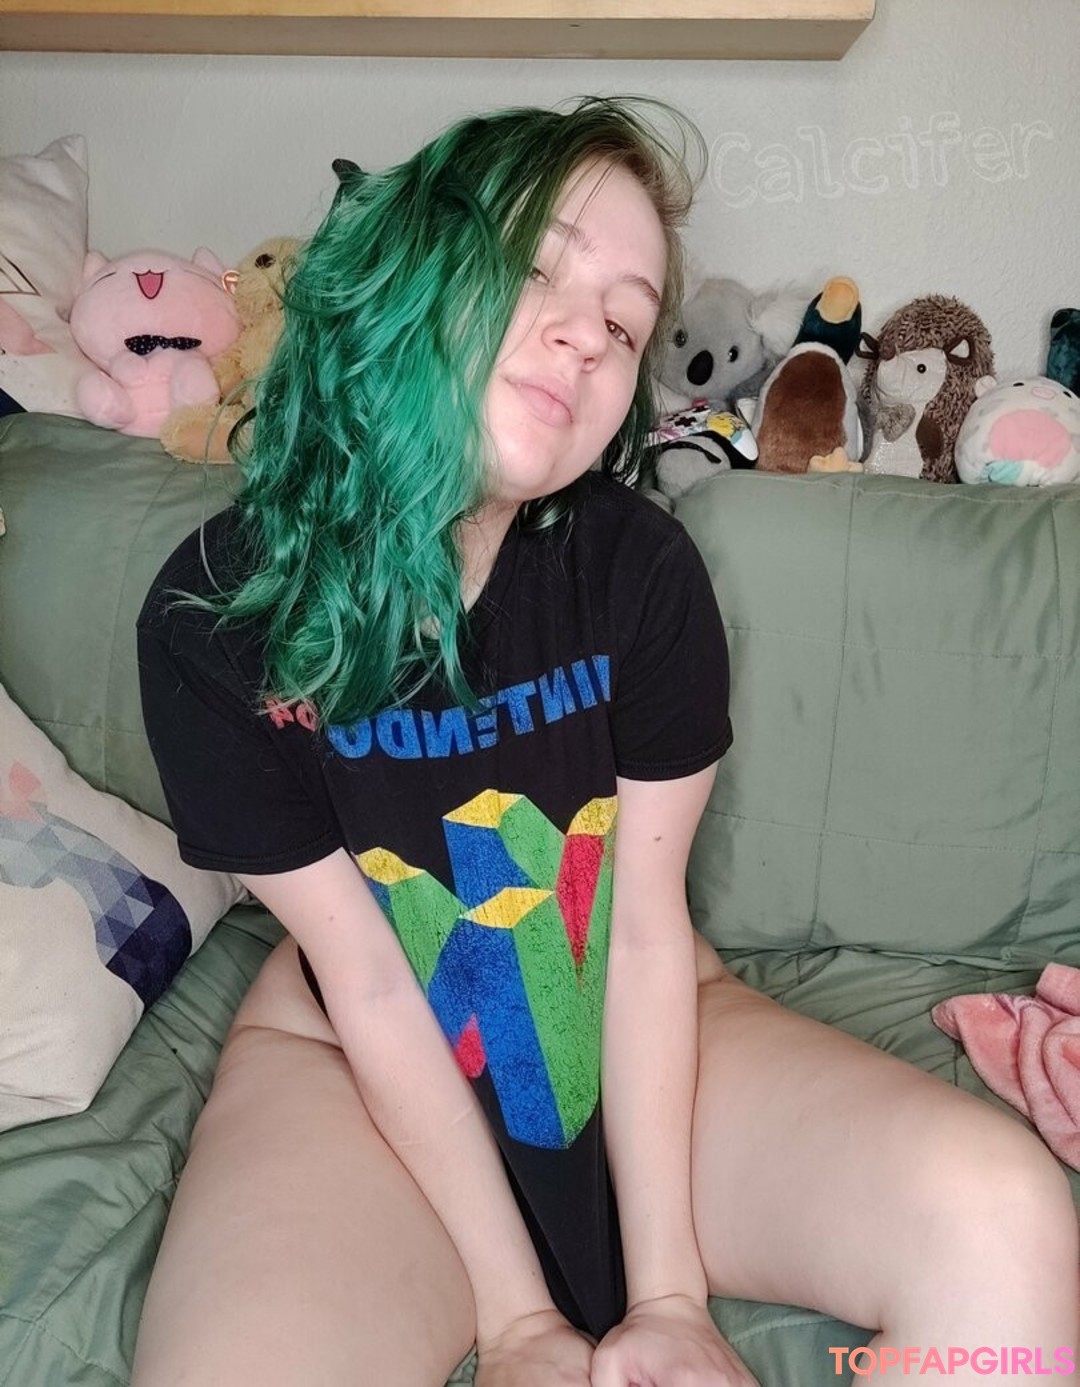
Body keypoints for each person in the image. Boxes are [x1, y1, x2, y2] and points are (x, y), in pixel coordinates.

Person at [132, 97, 1078, 1387]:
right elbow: (368, 980)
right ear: (413, 270)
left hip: (634, 1002)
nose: (588, 334)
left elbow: (639, 929)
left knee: (1003, 1220)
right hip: (353, 1056)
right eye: (536, 269)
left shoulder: (642, 571)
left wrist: (672, 1294)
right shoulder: (212, 616)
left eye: (627, 322)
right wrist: (519, 1320)